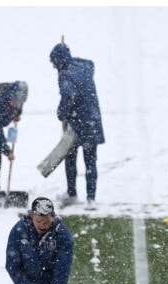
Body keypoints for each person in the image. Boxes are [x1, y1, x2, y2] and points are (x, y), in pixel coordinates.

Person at [49, 43, 104, 209]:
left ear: (59, 61)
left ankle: (72, 194)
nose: (53, 67)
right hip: (93, 120)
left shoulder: (65, 75)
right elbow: (90, 62)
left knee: (70, 159)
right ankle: (91, 198)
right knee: (90, 160)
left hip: (76, 123)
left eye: (54, 63)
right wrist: (72, 59)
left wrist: (61, 113)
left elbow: (68, 95)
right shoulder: (85, 68)